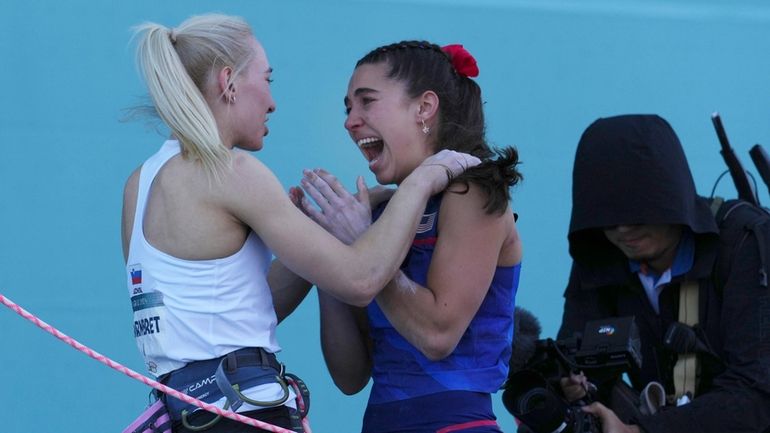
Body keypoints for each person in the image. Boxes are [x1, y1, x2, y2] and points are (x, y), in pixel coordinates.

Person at [122, 16, 480, 433]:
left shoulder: (140, 182)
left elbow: (233, 312)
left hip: (184, 414)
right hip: (241, 412)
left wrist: (316, 237)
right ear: (228, 82)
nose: (272, 102)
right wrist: (421, 181)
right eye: (267, 79)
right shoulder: (232, 172)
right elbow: (362, 279)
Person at [294, 41, 523, 432]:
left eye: (367, 102)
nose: (351, 121)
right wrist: (331, 255)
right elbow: (350, 377)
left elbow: (437, 335)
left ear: (424, 108)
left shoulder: (472, 192)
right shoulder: (384, 213)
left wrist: (365, 247)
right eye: (348, 107)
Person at [557, 114, 770, 433]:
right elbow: (576, 361)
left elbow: (756, 394)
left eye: (637, 216)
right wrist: (570, 388)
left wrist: (640, 431)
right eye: (609, 220)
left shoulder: (745, 244)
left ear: (671, 201)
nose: (623, 230)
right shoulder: (602, 256)